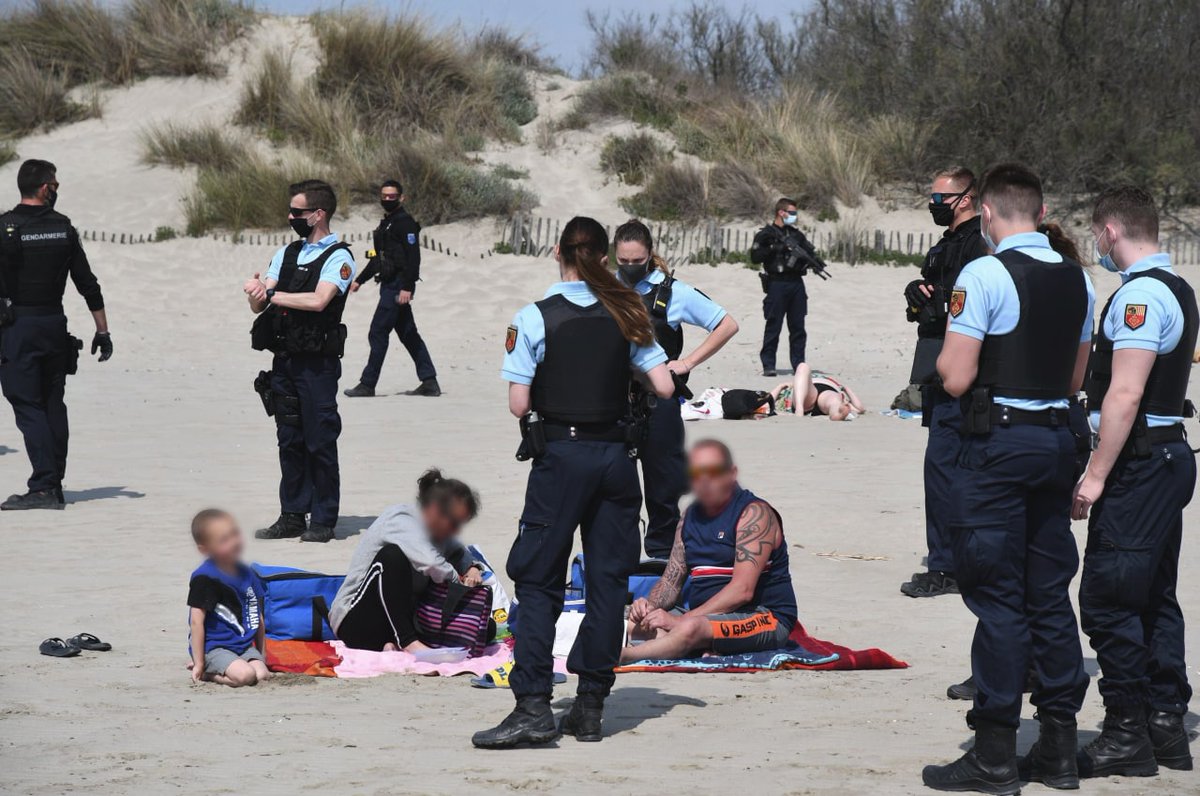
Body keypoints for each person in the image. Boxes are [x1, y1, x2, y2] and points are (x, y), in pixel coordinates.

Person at [923, 163, 1094, 794]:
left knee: (997, 596)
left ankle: (995, 750)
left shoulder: (985, 273)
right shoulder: (1078, 279)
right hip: (1056, 440)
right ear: (1041, 212)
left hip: (998, 444)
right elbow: (1075, 379)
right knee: (1048, 593)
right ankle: (1059, 747)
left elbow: (956, 377)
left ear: (988, 213)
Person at [473, 216, 674, 749]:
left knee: (540, 581)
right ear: (605, 259)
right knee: (607, 582)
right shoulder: (628, 311)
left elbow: (519, 404)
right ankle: (590, 706)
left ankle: (533, 706)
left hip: (561, 457)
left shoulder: (534, 317)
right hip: (616, 459)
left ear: (556, 252)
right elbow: (663, 385)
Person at [1073, 186, 1197, 777]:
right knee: (1153, 597)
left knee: (1108, 598)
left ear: (1110, 231)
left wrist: (1095, 476)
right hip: (1166, 457)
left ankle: (1127, 731)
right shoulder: (1178, 287)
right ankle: (1165, 723)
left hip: (1141, 464)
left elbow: (1125, 393)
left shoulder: (1140, 295)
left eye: (1097, 234)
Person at [613, 219, 739, 558]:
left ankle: (662, 559)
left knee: (663, 489)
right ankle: (619, 559)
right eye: (622, 261)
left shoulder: (673, 292)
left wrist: (687, 363)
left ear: (650, 255)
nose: (629, 267)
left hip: (659, 403)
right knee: (617, 487)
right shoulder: (605, 289)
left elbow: (727, 324)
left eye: (637, 261)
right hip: (614, 403)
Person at [243, 180, 355, 544]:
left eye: (297, 212)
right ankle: (291, 514)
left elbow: (320, 300)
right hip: (285, 361)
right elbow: (262, 302)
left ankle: (323, 519)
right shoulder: (287, 253)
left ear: (318, 214)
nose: (291, 217)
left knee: (319, 440)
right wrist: (256, 293)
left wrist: (273, 294)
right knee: (289, 439)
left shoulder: (339, 257)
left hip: (317, 365)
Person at [620, 440, 797, 662]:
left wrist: (679, 621)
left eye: (713, 472)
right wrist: (648, 606)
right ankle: (679, 643)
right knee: (634, 621)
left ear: (731, 474)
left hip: (763, 616)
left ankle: (623, 656)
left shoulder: (754, 514)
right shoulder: (689, 517)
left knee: (690, 627)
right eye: (696, 473)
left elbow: (742, 591)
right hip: (706, 617)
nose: (704, 480)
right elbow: (670, 583)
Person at [0, 159, 111, 511]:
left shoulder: (5, 227)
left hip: (17, 326)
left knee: (26, 403)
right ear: (44, 187)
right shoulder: (63, 228)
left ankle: (44, 486)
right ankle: (54, 483)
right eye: (55, 184)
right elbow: (88, 284)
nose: (57, 190)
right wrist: (103, 331)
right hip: (53, 325)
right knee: (52, 402)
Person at [900, 166, 988, 599]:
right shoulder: (944, 245)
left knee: (947, 469)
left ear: (966, 198)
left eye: (941, 198)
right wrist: (916, 296)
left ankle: (947, 566)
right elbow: (930, 304)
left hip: (964, 374)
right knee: (941, 469)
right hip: (936, 368)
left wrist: (940, 305)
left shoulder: (980, 245)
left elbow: (968, 306)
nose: (934, 205)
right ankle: (950, 560)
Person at [329, 469, 483, 652]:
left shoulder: (439, 531)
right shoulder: (402, 519)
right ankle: (408, 642)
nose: (456, 530)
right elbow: (431, 563)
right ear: (434, 510)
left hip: (399, 619)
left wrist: (472, 568)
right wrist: (457, 581)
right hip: (355, 622)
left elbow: (457, 550)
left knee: (482, 630)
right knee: (393, 556)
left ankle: (389, 644)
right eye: (454, 523)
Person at [343, 180, 440, 398]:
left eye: (392, 196)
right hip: (388, 284)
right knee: (408, 334)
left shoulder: (405, 224)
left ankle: (367, 384)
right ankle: (429, 381)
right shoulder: (387, 224)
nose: (387, 200)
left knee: (378, 332)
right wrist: (360, 280)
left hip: (398, 286)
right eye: (384, 196)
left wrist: (407, 287)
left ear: (401, 198)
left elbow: (413, 258)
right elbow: (379, 258)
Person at [187, 509, 271, 688]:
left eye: (234, 534)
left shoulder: (246, 573)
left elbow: (257, 616)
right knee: (245, 676)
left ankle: (232, 666)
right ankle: (208, 673)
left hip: (242, 645)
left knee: (262, 674)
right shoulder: (205, 578)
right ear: (205, 549)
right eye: (224, 540)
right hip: (214, 647)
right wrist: (199, 662)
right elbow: (196, 622)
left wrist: (262, 655)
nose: (233, 542)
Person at [751, 198, 816, 377]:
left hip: (796, 283)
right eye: (792, 212)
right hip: (776, 283)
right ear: (781, 212)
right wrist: (774, 247)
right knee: (774, 325)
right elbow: (755, 257)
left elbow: (809, 254)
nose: (795, 216)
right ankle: (769, 364)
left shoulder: (796, 235)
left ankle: (799, 364)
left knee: (798, 327)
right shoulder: (766, 234)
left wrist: (808, 260)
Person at [771, 363, 865, 421]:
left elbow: (860, 409)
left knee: (834, 401)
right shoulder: (792, 388)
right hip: (809, 393)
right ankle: (800, 409)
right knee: (803, 366)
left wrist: (780, 386)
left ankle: (836, 412)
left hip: (825, 391)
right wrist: (780, 387)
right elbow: (768, 400)